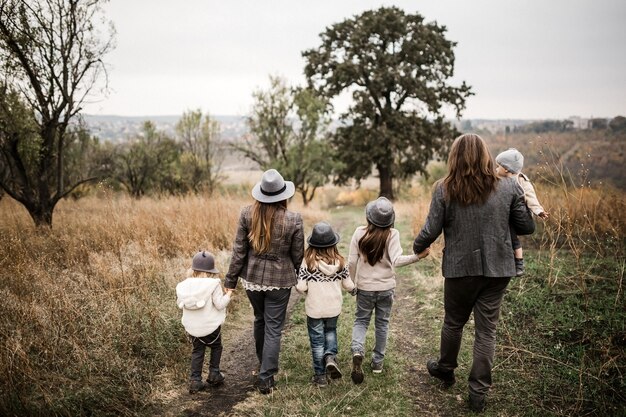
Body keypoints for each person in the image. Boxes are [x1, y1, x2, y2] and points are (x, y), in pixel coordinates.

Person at [413, 134, 535, 413]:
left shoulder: (443, 188)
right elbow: (526, 227)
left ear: (454, 158)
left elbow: (431, 229)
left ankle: (445, 369)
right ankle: (478, 393)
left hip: (460, 269)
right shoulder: (508, 187)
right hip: (498, 270)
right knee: (486, 332)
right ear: (486, 156)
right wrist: (525, 198)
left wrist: (418, 246)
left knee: (454, 322)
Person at [224, 169, 304, 394]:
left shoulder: (247, 214)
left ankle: (263, 365)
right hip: (280, 280)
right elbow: (298, 255)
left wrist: (230, 280)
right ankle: (266, 377)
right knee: (274, 327)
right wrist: (303, 279)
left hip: (252, 280)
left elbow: (239, 252)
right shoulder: (294, 219)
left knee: (260, 319)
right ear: (283, 195)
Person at [348, 197, 430, 385]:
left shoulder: (358, 233)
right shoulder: (393, 234)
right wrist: (417, 257)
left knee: (361, 321)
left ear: (369, 217)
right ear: (390, 219)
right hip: (386, 289)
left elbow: (352, 262)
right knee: (382, 325)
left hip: (365, 288)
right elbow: (397, 260)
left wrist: (352, 284)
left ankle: (358, 350)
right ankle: (377, 363)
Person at [296, 222, 355, 387]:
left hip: (315, 309)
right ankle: (330, 356)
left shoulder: (307, 263)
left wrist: (306, 289)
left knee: (317, 341)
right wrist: (354, 290)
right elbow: (349, 285)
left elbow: (301, 287)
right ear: (333, 244)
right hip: (333, 308)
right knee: (330, 332)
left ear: (312, 245)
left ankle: (320, 377)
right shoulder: (340, 262)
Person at [176, 250, 233, 394]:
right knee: (216, 347)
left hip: (192, 327)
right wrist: (229, 294)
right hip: (210, 326)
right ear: (210, 271)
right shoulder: (213, 284)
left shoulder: (183, 285)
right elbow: (220, 305)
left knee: (197, 351)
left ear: (193, 269)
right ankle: (214, 374)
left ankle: (195, 381)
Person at [495, 148, 549, 276]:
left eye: (498, 166)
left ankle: (519, 262)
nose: (496, 169)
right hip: (507, 216)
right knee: (511, 237)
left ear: (506, 169)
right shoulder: (499, 179)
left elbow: (530, 197)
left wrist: (538, 210)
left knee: (515, 241)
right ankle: (508, 261)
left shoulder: (521, 180)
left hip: (521, 215)